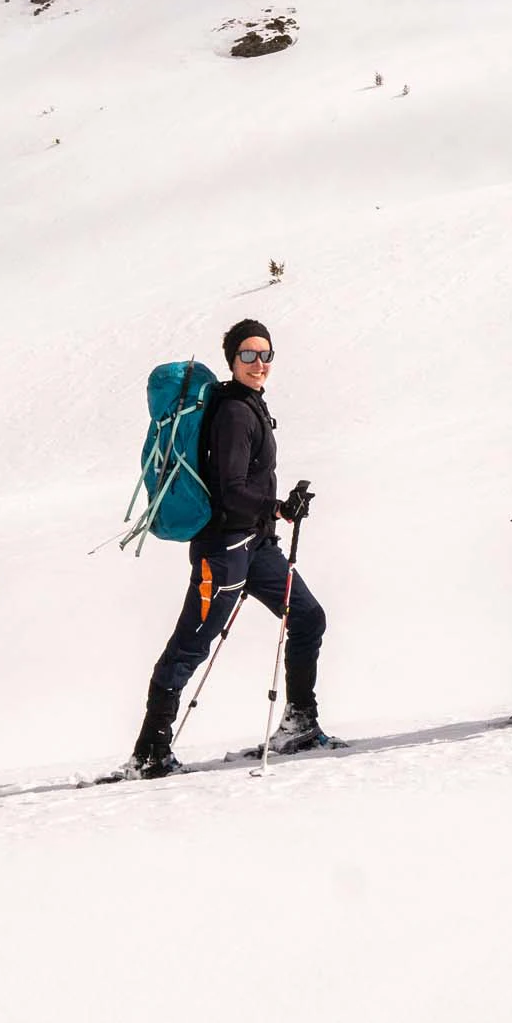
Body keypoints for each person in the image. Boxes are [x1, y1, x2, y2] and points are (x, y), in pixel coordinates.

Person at [129, 319, 333, 778]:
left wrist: (274, 512)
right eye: (248, 355)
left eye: (265, 355)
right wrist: (280, 506)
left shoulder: (248, 405)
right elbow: (230, 489)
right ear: (232, 360)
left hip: (255, 547)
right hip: (223, 551)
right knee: (190, 645)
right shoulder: (235, 414)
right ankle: (149, 753)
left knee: (307, 617)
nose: (259, 363)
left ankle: (300, 721)